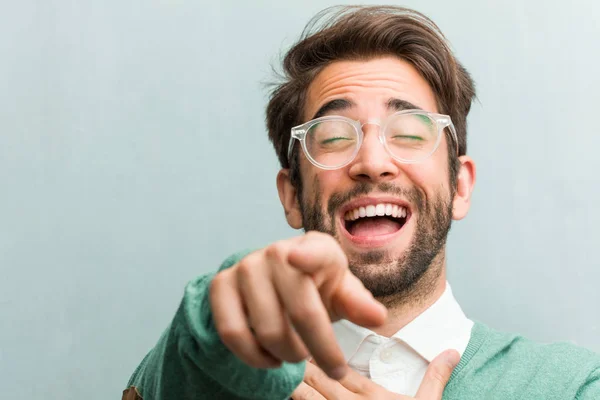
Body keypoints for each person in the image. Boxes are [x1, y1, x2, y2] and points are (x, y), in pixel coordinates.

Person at [123, 5, 600, 400]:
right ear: (292, 195)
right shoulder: (206, 373)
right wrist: (219, 321)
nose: (372, 161)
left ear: (459, 186)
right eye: (333, 136)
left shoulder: (575, 386)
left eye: (411, 132)